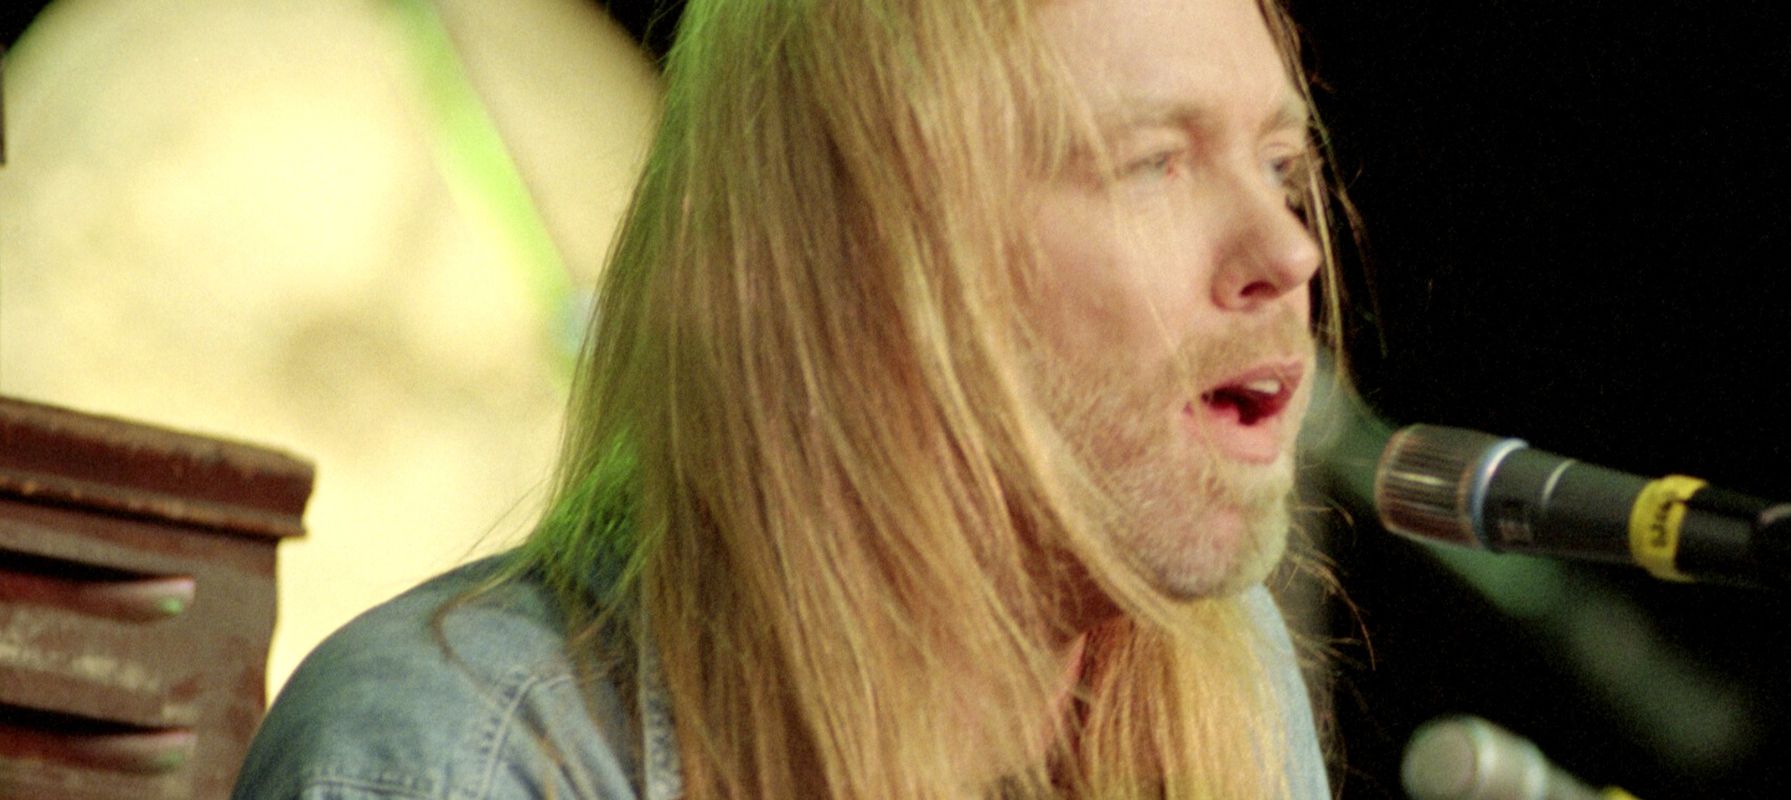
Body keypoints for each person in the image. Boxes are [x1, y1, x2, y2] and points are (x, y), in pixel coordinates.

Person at [233, 0, 1351, 796]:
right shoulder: (458, 756)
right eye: (1153, 163)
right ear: (868, 252)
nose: (1286, 252)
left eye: (1277, 167)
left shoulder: (1223, 685)